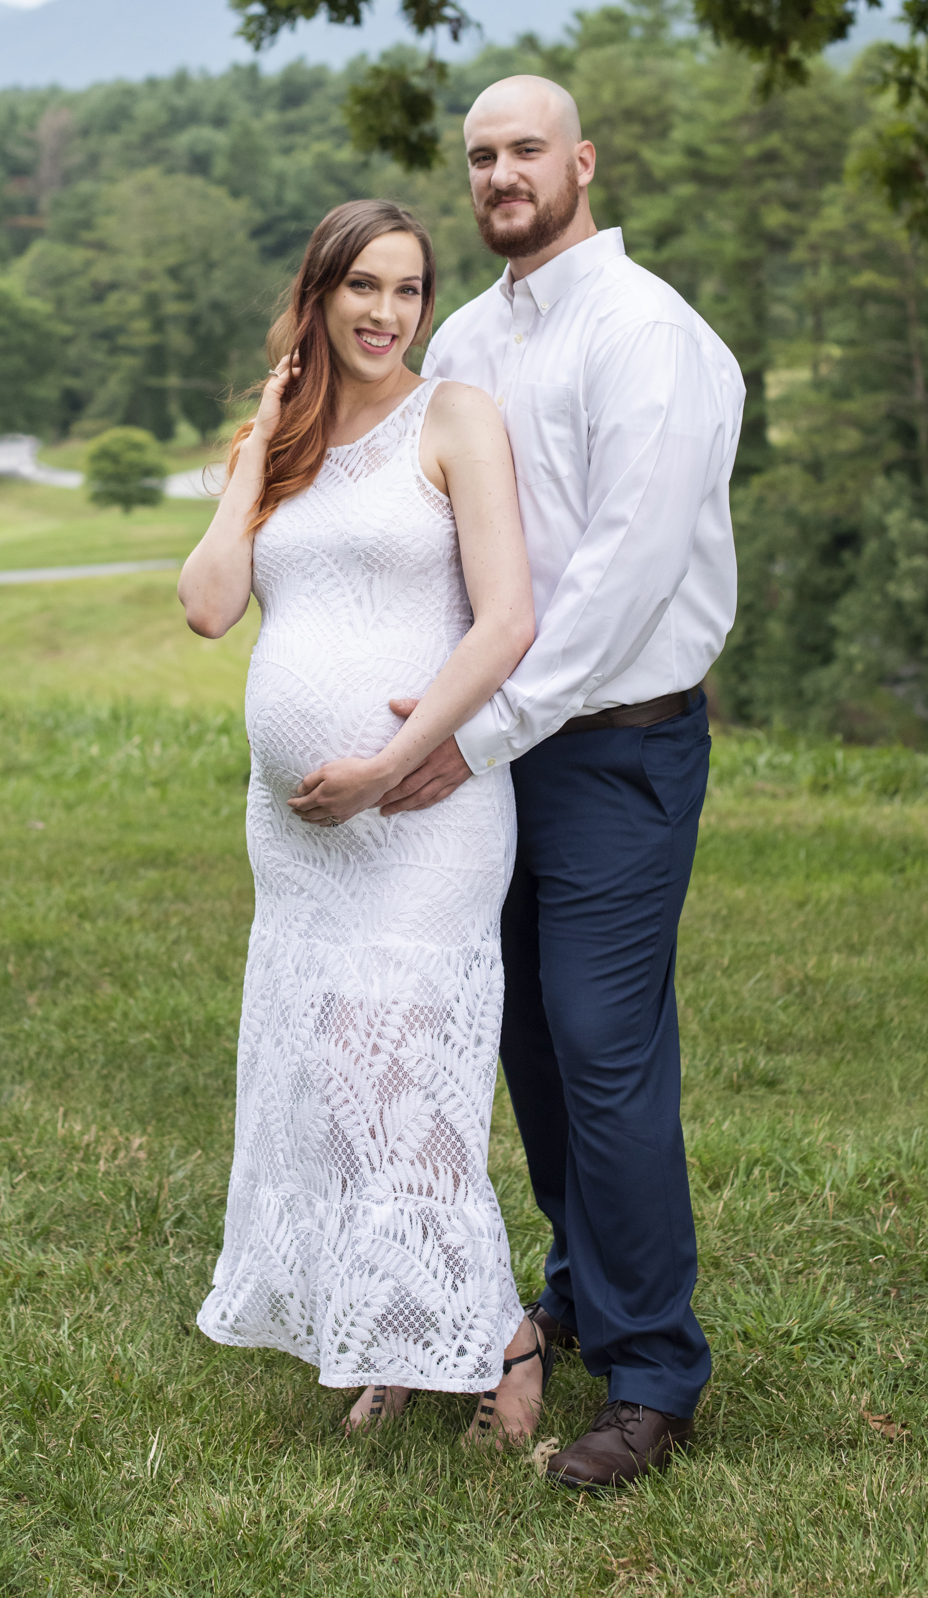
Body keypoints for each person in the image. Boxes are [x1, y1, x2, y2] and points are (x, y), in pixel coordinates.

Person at [379, 77, 746, 1490]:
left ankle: (652, 1374)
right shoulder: (468, 334)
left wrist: (470, 733)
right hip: (498, 745)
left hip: (612, 745)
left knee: (600, 1046)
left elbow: (613, 581)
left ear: (580, 161)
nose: (497, 174)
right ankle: (580, 1293)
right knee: (523, 1040)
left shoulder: (647, 335)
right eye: (477, 157)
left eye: (522, 149)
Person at [178, 198, 553, 1445]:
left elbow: (504, 621)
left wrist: (388, 764)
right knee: (335, 1079)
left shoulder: (455, 419)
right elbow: (206, 606)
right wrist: (252, 462)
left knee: (407, 1077)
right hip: (294, 837)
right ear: (320, 295)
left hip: (424, 812)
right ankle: (394, 1328)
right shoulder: (280, 438)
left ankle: (499, 1335)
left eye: (409, 290)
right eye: (364, 287)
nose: (387, 313)